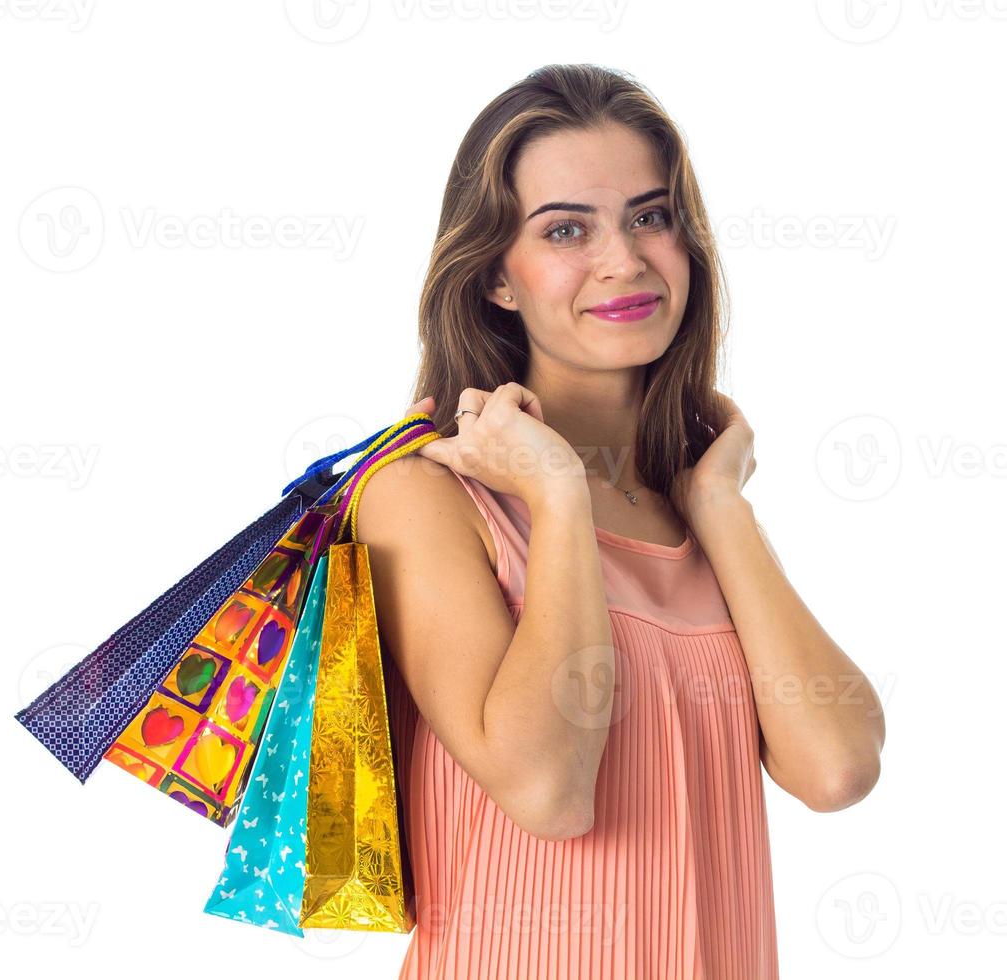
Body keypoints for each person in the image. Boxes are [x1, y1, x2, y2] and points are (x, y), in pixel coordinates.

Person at [356, 63, 885, 980]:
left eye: (651, 215)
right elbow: (546, 790)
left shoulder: (696, 506)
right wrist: (557, 499)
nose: (626, 260)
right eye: (568, 229)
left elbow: (836, 768)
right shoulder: (423, 494)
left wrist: (720, 507)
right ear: (496, 278)